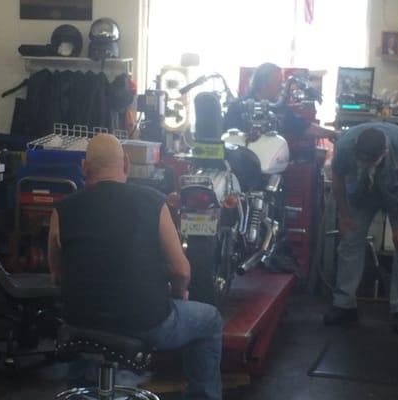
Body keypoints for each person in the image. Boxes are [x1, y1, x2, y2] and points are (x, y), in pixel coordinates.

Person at [48, 134, 222, 400]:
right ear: (126, 164)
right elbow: (181, 271)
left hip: (79, 322)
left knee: (84, 319)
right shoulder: (154, 202)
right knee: (210, 320)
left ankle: (84, 386)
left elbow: (57, 276)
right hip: (145, 322)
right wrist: (177, 294)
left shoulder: (62, 210)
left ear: (84, 167)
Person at [323, 122, 398, 334]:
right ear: (356, 150)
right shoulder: (345, 146)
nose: (366, 164)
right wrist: (344, 215)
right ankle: (344, 305)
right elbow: (338, 179)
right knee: (350, 241)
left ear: (385, 152)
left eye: (371, 161)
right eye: (362, 160)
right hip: (362, 194)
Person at [223, 62, 335, 140]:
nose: (282, 87)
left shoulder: (280, 109)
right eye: (278, 82)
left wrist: (334, 134)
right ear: (263, 84)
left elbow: (305, 127)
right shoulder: (237, 108)